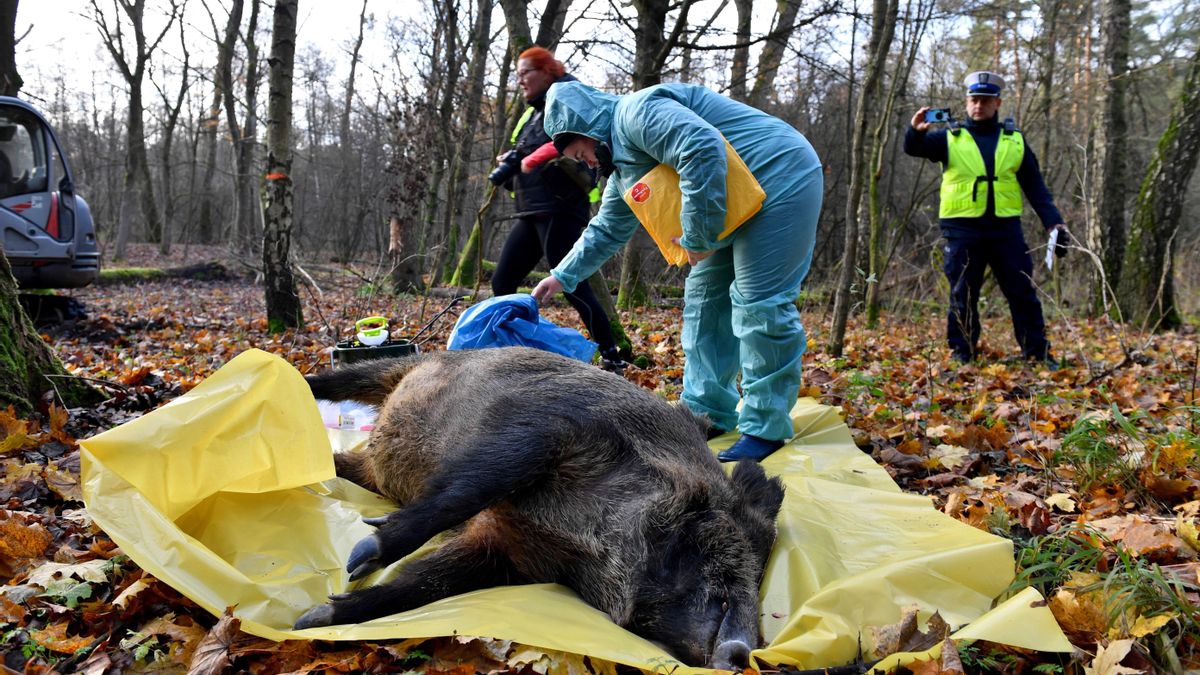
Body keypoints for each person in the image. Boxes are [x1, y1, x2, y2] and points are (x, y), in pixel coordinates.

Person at [530, 81, 823, 463]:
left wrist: (698, 235)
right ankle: (706, 413)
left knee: (758, 303)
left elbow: (700, 147)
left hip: (780, 175)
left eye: (580, 153)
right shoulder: (623, 172)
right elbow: (606, 230)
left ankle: (765, 426)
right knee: (704, 303)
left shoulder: (636, 113)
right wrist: (561, 276)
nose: (586, 163)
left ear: (587, 127)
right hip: (733, 201)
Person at [904, 71, 1069, 367]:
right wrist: (915, 131)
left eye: (985, 100)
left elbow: (1035, 186)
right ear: (967, 102)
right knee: (962, 295)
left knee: (1022, 292)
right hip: (962, 230)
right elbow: (914, 148)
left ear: (997, 103)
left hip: (1006, 230)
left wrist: (1053, 222)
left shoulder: (1014, 140)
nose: (978, 105)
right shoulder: (949, 138)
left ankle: (1038, 353)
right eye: (974, 100)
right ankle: (962, 354)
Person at [488, 46, 626, 371]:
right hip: (531, 209)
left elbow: (575, 139)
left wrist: (531, 157)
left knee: (571, 283)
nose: (520, 80)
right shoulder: (533, 113)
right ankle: (513, 352)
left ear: (547, 71)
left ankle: (611, 355)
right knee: (502, 281)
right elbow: (526, 148)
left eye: (526, 73)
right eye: (517, 74)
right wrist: (513, 160)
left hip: (560, 208)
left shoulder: (568, 97)